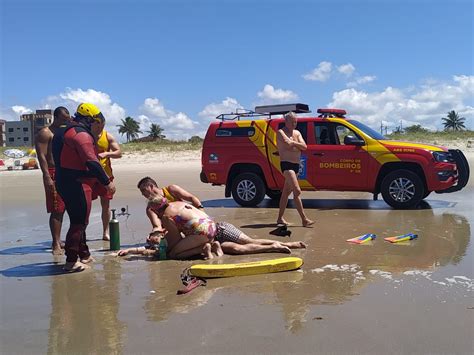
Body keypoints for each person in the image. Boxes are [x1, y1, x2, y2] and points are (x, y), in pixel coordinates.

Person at [117, 190, 307, 260]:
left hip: (204, 236)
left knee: (175, 253)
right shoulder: (180, 203)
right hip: (217, 226)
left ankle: (208, 248)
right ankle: (284, 244)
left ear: (157, 210)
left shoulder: (166, 216)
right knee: (248, 242)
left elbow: (174, 242)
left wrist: (159, 241)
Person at [52, 103, 116, 272]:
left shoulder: (63, 131)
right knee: (79, 222)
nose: (99, 129)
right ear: (92, 121)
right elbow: (91, 162)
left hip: (63, 180)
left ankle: (84, 254)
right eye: (99, 124)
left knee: (79, 220)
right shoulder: (81, 135)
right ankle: (71, 261)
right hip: (76, 183)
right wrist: (107, 182)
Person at [35, 106, 71, 255]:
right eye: (62, 119)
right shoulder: (45, 132)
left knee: (68, 207)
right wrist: (47, 176)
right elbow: (41, 155)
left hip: (65, 171)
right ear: (55, 118)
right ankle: (55, 243)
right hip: (52, 172)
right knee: (57, 209)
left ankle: (60, 240)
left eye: (66, 120)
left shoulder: (63, 131)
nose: (64, 122)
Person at [276, 111, 314, 227]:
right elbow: (287, 145)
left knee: (286, 193)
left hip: (296, 165)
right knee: (297, 191)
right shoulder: (280, 132)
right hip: (286, 165)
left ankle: (279, 218)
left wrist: (293, 143)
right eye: (292, 122)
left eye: (295, 122)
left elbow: (305, 147)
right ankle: (304, 219)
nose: (294, 124)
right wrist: (296, 144)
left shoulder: (297, 132)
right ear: (286, 121)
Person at [137, 176, 204, 237]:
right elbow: (157, 225)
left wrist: (201, 212)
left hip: (187, 222)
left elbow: (192, 198)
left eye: (143, 190)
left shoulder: (171, 190)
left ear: (151, 186)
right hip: (171, 229)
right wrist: (154, 234)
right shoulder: (150, 208)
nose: (142, 194)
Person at [92, 119, 122, 241]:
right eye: (97, 124)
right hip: (90, 175)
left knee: (106, 205)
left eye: (102, 124)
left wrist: (106, 154)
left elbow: (119, 153)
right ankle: (82, 232)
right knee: (85, 205)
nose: (100, 126)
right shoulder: (86, 135)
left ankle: (105, 232)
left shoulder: (107, 136)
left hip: (105, 176)